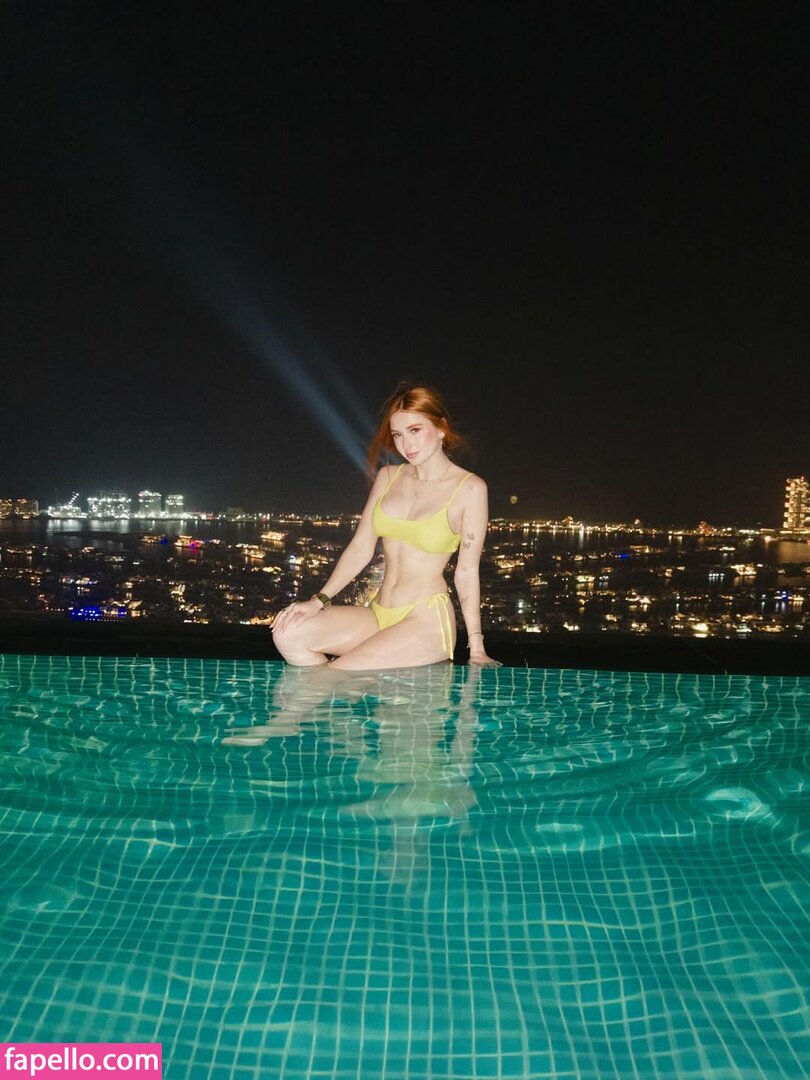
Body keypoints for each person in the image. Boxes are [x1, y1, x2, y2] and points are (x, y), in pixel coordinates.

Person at [271, 383, 501, 669]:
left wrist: (476, 646)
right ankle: (339, 697)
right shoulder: (388, 477)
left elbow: (466, 572)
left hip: (426, 621)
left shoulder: (470, 488)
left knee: (338, 672)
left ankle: (328, 692)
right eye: (398, 435)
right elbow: (360, 547)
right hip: (378, 613)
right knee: (288, 634)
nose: (406, 444)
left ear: (441, 428)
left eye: (415, 430)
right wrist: (318, 601)